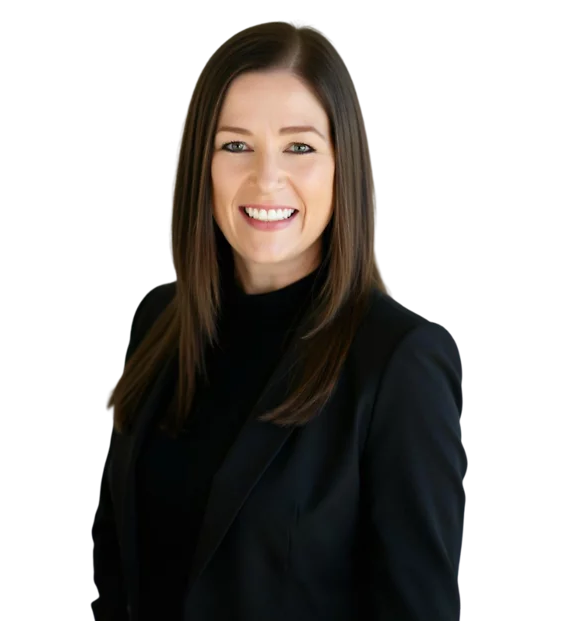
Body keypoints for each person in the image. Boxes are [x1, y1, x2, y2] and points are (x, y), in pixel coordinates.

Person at [90, 19, 466, 621]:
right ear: (202, 168)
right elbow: (115, 566)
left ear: (342, 164)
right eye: (235, 145)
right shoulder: (160, 322)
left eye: (300, 147)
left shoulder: (401, 362)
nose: (266, 179)